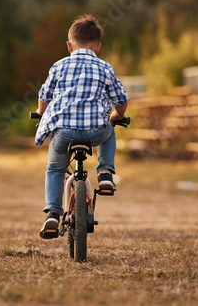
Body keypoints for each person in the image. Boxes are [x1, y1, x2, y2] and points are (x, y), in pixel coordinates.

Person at [35, 14, 129, 239]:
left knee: (55, 169)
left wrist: (40, 113)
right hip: (95, 131)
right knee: (109, 131)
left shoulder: (59, 66)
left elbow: (44, 95)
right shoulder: (105, 67)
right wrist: (117, 115)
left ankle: (52, 214)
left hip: (64, 132)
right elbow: (121, 99)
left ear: (69, 45)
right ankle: (105, 172)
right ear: (98, 47)